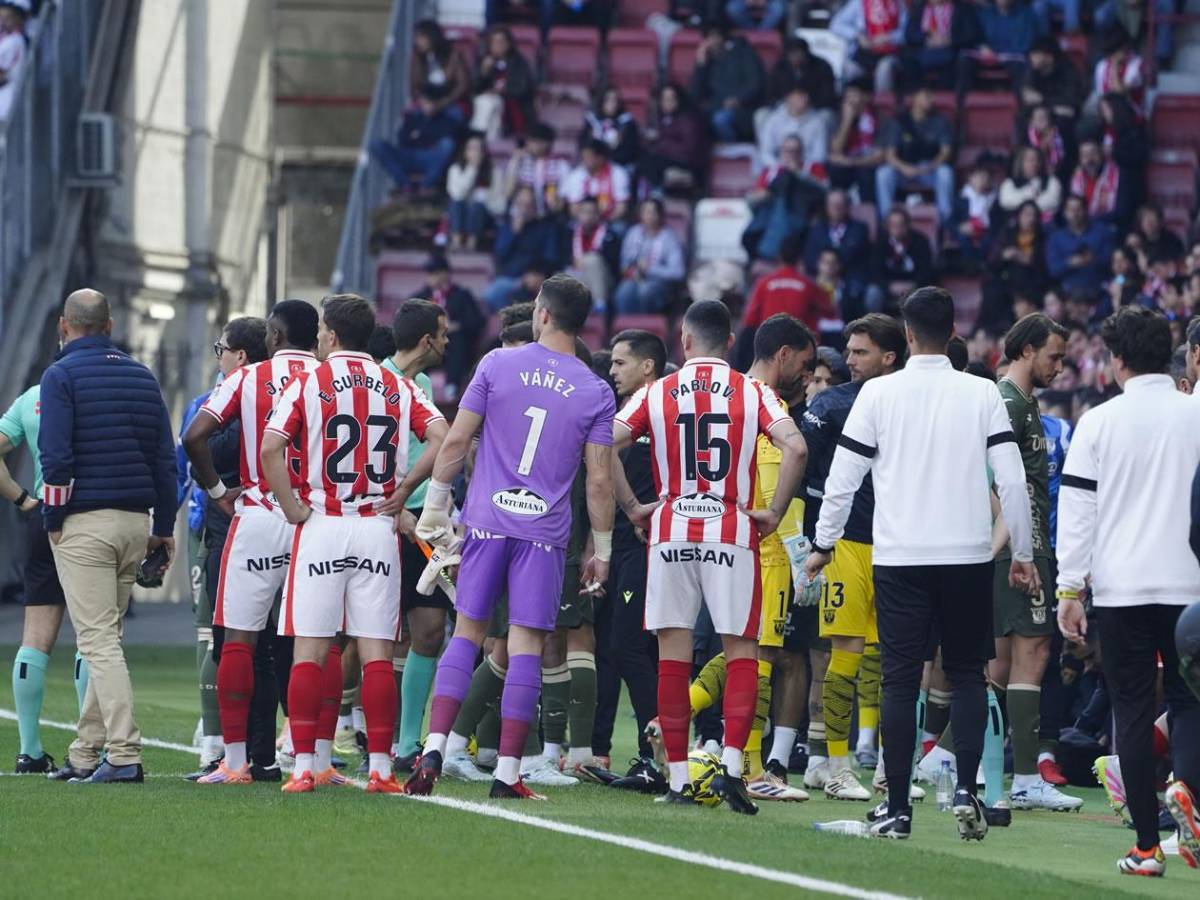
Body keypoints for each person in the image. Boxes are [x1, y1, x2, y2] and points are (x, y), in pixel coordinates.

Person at [805, 286, 1037, 840]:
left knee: (900, 678)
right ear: (953, 333)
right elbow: (1012, 480)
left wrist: (822, 543)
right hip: (966, 556)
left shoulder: (879, 396)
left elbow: (843, 480)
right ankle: (965, 789)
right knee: (967, 675)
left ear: (906, 336)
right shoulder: (982, 393)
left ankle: (898, 811)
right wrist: (1022, 555)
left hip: (901, 556)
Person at [405, 274, 616, 800]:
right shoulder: (595, 390)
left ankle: (434, 747)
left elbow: (456, 439)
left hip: (486, 522)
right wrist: (603, 550)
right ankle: (507, 776)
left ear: (541, 313)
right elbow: (597, 479)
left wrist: (435, 507)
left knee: (468, 634)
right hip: (543, 535)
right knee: (525, 645)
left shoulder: (497, 364)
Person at [612, 299, 809, 813]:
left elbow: (603, 441)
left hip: (672, 527)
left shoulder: (658, 391)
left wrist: (634, 506)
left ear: (684, 340)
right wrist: (772, 511)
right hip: (730, 527)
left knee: (674, 658)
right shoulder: (755, 391)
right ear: (730, 342)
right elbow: (797, 449)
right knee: (743, 653)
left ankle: (678, 780)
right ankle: (731, 770)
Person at [261, 294, 448, 795]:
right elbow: (442, 434)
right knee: (377, 654)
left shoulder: (310, 381)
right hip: (375, 525)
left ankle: (303, 766)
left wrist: (291, 505)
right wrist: (404, 489)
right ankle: (383, 769)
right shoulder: (396, 384)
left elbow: (271, 446)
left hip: (324, 521)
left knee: (311, 649)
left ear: (331, 333)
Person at [1056, 306, 1200, 875]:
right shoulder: (1195, 415)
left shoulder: (1099, 421)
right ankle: (1190, 797)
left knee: (1134, 710)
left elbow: (1079, 508)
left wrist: (1070, 585)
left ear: (1116, 360)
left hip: (1120, 590)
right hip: (1191, 585)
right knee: (1192, 705)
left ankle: (1146, 845)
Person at [41, 289, 179, 784]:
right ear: (110, 324)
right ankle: (85, 752)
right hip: (133, 523)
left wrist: (52, 521)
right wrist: (163, 527)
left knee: (97, 641)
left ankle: (123, 753)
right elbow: (166, 462)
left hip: (85, 523)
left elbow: (55, 461)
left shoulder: (60, 376)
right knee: (108, 639)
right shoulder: (143, 377)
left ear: (64, 325)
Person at [182, 305, 318, 785]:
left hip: (260, 514)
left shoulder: (250, 377)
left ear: (274, 335)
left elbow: (194, 436)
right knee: (315, 642)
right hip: (319, 518)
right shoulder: (329, 377)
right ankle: (315, 763)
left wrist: (219, 493)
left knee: (238, 638)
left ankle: (235, 760)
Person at [800, 314, 906, 802]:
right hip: (845, 545)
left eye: (860, 351)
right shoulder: (830, 403)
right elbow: (802, 467)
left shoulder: (908, 402)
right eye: (849, 348)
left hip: (898, 545)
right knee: (844, 654)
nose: (849, 358)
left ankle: (887, 768)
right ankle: (836, 765)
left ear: (889, 356)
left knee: (889, 660)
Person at [988, 314, 1083, 811]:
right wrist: (1009, 549)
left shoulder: (1023, 402)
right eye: (1054, 356)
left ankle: (1008, 774)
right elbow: (991, 481)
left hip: (1029, 544)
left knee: (1022, 657)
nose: (1061, 367)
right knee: (1023, 655)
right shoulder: (1006, 401)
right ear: (1026, 350)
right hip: (1019, 548)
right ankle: (1016, 777)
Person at [2, 378, 89, 774]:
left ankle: (29, 750)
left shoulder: (33, 396)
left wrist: (22, 498)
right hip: (92, 516)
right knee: (95, 636)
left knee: (35, 637)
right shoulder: (101, 387)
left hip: (42, 518)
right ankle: (93, 746)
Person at [380, 300, 451, 770]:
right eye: (442, 334)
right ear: (427, 340)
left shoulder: (420, 385)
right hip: (383, 519)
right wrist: (396, 505)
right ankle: (331, 735)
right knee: (371, 638)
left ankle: (407, 745)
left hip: (423, 519)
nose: (447, 341)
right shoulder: (375, 383)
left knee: (427, 631)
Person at [601, 330, 667, 793]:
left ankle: (655, 753)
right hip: (625, 547)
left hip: (647, 547)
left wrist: (633, 511)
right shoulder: (628, 413)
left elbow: (604, 452)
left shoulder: (659, 408)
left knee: (629, 647)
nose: (611, 371)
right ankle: (604, 748)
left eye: (621, 363)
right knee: (620, 646)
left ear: (647, 367)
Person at [875, 87, 956, 226]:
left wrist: (930, 167)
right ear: (914, 99)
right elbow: (890, 154)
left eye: (931, 97)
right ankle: (887, 220)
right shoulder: (899, 121)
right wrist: (904, 168)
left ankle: (946, 220)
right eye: (926, 96)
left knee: (945, 172)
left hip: (928, 169)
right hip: (903, 170)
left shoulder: (940, 121)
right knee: (883, 173)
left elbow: (945, 152)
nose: (931, 100)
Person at [409, 255, 484, 397]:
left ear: (446, 273)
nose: (431, 277)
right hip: (430, 344)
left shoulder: (462, 295)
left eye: (435, 273)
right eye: (429, 273)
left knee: (457, 339)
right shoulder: (420, 297)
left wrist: (457, 326)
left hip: (455, 345)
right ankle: (418, 388)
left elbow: (477, 322)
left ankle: (452, 387)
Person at [368, 87, 461, 194]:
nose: (429, 105)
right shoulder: (411, 117)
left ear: (438, 103)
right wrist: (426, 138)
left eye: (432, 102)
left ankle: (425, 185)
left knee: (447, 145)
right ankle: (405, 184)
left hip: (429, 157)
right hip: (407, 155)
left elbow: (447, 141)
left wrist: (419, 136)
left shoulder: (447, 121)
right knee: (376, 144)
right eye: (426, 102)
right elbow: (403, 140)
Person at [485, 186, 563, 312]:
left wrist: (538, 274)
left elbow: (551, 257)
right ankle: (512, 320)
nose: (524, 209)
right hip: (510, 278)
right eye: (521, 204)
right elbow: (500, 255)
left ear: (535, 207)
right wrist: (514, 233)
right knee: (491, 294)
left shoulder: (546, 227)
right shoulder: (507, 226)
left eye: (529, 205)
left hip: (536, 277)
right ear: (514, 205)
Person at [744, 231, 834, 334]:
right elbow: (830, 313)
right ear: (800, 258)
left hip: (769, 344)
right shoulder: (809, 285)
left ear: (779, 256)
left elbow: (750, 320)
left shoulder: (764, 283)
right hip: (800, 344)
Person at [980, 200, 1049, 334]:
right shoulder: (1008, 233)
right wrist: (1005, 255)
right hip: (1007, 280)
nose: (1030, 219)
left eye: (1033, 215)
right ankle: (991, 332)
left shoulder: (1043, 237)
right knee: (992, 289)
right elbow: (993, 260)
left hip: (1032, 281)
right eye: (1027, 215)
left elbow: (1043, 264)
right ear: (1019, 217)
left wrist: (1023, 257)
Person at [689, 25, 765, 143]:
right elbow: (695, 94)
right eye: (708, 38)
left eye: (715, 37)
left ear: (723, 38)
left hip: (744, 108)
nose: (712, 42)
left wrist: (738, 99)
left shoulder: (744, 54)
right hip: (716, 107)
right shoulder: (707, 63)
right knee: (692, 119)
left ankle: (733, 148)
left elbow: (755, 83)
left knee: (720, 119)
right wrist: (701, 65)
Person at [613, 199, 686, 315]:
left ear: (660, 215)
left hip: (660, 283)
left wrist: (650, 269)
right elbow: (624, 263)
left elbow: (678, 272)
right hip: (635, 279)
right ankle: (626, 330)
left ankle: (646, 329)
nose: (649, 216)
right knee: (623, 292)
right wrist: (630, 269)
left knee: (646, 291)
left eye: (653, 212)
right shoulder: (633, 233)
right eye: (646, 212)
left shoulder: (669, 238)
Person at [639, 83, 708, 195]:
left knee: (650, 160)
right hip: (668, 158)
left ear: (678, 99)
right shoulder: (662, 119)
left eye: (671, 99)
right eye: (664, 99)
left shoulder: (688, 120)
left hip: (688, 162)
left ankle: (657, 193)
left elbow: (690, 151)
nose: (667, 103)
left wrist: (660, 142)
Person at [957, 0, 1038, 94]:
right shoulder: (985, 12)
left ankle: (1022, 104)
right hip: (987, 53)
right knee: (964, 59)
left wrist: (1005, 53)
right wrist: (982, 47)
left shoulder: (1026, 14)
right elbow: (977, 35)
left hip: (1012, 54)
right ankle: (961, 103)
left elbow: (1027, 41)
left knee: (1020, 65)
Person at [470, 25, 536, 139]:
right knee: (487, 103)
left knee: (491, 103)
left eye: (502, 41)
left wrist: (500, 91)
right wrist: (484, 71)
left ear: (509, 43)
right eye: (495, 42)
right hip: (485, 101)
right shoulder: (483, 60)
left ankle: (479, 139)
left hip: (511, 102)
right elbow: (474, 87)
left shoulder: (519, 62)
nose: (498, 45)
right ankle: (484, 139)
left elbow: (522, 88)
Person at [899, 0, 980, 93]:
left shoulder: (963, 8)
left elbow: (970, 35)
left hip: (951, 51)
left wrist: (948, 41)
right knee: (907, 59)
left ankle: (946, 98)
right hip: (924, 50)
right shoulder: (919, 8)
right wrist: (927, 40)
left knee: (960, 63)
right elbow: (909, 34)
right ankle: (918, 96)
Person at [826, 79, 884, 204]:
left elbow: (880, 156)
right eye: (847, 96)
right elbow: (835, 150)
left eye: (854, 95)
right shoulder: (837, 117)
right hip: (846, 165)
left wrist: (852, 162)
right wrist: (847, 120)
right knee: (835, 170)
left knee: (867, 174)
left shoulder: (879, 118)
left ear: (866, 97)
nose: (850, 100)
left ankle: (869, 212)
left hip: (867, 165)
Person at [829, 0, 906, 94]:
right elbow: (836, 25)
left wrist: (888, 38)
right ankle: (849, 103)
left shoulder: (898, 4)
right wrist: (857, 36)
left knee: (884, 69)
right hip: (863, 53)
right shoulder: (859, 2)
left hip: (889, 54)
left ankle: (883, 105)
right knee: (850, 68)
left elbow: (905, 32)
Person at [1046, 194, 1116, 296]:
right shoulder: (1056, 238)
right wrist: (1070, 263)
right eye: (1071, 209)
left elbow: (1112, 260)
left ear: (1085, 210)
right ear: (1065, 213)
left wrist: (1093, 259)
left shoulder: (1102, 232)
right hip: (1068, 293)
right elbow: (1053, 270)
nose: (1075, 213)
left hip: (1099, 290)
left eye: (1078, 209)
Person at [869, 206, 935, 312]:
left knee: (926, 295)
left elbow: (927, 270)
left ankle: (918, 327)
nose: (898, 229)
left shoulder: (921, 241)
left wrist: (913, 284)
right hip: (888, 285)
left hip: (914, 284)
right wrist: (889, 286)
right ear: (887, 226)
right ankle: (876, 325)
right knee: (873, 293)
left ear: (908, 225)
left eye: (901, 225)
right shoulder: (880, 242)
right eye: (893, 225)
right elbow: (875, 271)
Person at [446, 133, 505, 251]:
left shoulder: (495, 172)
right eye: (470, 149)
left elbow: (500, 205)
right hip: (460, 213)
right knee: (455, 203)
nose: (474, 153)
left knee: (477, 205)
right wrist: (472, 169)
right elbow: (457, 194)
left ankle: (471, 243)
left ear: (484, 153)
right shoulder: (455, 169)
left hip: (485, 214)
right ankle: (456, 241)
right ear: (464, 151)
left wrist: (485, 199)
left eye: (477, 149)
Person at [565, 196, 620, 313]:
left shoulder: (609, 235)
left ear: (598, 215)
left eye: (592, 213)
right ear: (578, 214)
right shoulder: (569, 234)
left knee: (593, 260)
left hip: (604, 279)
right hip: (578, 277)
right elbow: (562, 259)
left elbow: (613, 263)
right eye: (584, 212)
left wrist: (585, 260)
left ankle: (600, 304)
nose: (588, 216)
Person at [409, 19, 472, 120]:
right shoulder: (417, 58)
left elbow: (462, 86)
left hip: (450, 101)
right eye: (416, 37)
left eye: (421, 37)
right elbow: (415, 86)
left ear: (432, 37)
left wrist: (440, 104)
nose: (417, 41)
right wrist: (424, 102)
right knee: (413, 115)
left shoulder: (453, 55)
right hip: (426, 102)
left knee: (452, 116)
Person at [503, 122, 570, 216]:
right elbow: (508, 193)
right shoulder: (519, 161)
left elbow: (563, 199)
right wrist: (516, 161)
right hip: (521, 215)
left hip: (550, 215)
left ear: (549, 143)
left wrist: (554, 202)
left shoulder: (561, 165)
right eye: (532, 141)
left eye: (540, 142)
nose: (536, 146)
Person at [758, 85, 831, 169]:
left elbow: (820, 156)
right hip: (778, 169)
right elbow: (765, 153)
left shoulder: (818, 122)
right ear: (788, 97)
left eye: (806, 95)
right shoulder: (773, 120)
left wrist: (800, 167)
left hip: (807, 172)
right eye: (800, 95)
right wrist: (780, 167)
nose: (805, 99)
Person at [561, 139, 632, 226]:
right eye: (583, 157)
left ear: (601, 158)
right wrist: (587, 222)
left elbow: (621, 208)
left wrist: (603, 224)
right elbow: (574, 208)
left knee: (619, 227)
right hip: (583, 223)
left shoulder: (618, 173)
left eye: (588, 157)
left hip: (610, 222)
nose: (585, 161)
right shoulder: (576, 175)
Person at [1018, 37, 1086, 126]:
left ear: (1049, 57)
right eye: (1031, 54)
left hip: (1065, 117)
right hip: (1041, 112)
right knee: (1024, 115)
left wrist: (1042, 99)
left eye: (1036, 55)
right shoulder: (1032, 71)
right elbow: (1026, 93)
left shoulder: (1068, 72)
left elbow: (1071, 101)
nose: (1031, 58)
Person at [766, 37, 837, 111]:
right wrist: (789, 99)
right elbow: (770, 94)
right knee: (762, 115)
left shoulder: (821, 66)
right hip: (785, 107)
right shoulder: (780, 67)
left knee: (825, 115)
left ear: (806, 53)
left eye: (798, 53)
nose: (795, 57)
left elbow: (828, 96)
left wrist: (806, 99)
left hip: (815, 109)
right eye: (792, 54)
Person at [578, 87, 640, 170]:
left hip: (619, 165)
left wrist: (608, 161)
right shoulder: (592, 120)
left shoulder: (627, 122)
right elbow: (583, 144)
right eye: (608, 99)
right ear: (602, 101)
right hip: (593, 164)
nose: (612, 103)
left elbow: (630, 149)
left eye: (614, 100)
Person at [999, 147, 1062, 222]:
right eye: (1029, 160)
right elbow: (1006, 202)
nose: (1033, 163)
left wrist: (1022, 200)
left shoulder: (1052, 181)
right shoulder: (1009, 182)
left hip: (1045, 225)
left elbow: (1053, 202)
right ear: (1021, 162)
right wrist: (1030, 194)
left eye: (1037, 160)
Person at [0, 0, 29, 123]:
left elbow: (1, 74)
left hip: (6, 100)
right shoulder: (10, 39)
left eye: (8, 17)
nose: (4, 22)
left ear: (19, 19)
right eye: (1, 17)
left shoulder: (13, 41)